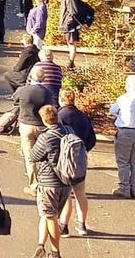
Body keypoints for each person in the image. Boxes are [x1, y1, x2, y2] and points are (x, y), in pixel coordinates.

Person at [29, 105, 74, 258]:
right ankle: (40, 245)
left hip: (49, 183)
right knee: (46, 215)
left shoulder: (46, 137)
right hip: (66, 181)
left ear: (43, 119)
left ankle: (56, 253)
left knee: (50, 217)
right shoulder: (69, 130)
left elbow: (33, 156)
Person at [56, 89, 93, 238]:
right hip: (80, 159)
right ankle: (82, 224)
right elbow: (92, 139)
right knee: (80, 193)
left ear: (61, 99)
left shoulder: (59, 116)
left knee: (66, 194)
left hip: (64, 161)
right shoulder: (83, 117)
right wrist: (83, 150)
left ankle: (64, 226)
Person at [109, 74, 135, 199]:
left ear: (128, 86)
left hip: (125, 131)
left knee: (123, 162)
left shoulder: (123, 99)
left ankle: (124, 187)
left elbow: (112, 110)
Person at [13, 66, 52, 191]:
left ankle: (34, 185)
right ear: (43, 78)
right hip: (42, 126)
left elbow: (15, 100)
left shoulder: (23, 90)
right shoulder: (47, 92)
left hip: (26, 125)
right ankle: (47, 181)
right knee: (44, 155)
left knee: (30, 157)